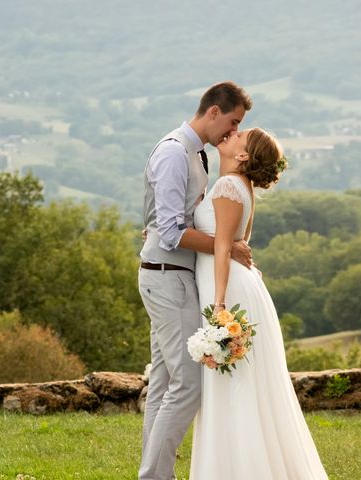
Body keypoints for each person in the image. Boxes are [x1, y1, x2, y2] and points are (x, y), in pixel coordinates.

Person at [189, 128, 329, 479]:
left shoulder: (227, 186)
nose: (232, 134)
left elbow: (223, 248)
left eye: (241, 136)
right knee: (242, 381)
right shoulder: (240, 186)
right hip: (240, 284)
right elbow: (237, 242)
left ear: (243, 156)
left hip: (228, 288)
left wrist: (219, 305)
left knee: (234, 382)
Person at [137, 81, 253, 480]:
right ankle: (154, 475)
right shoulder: (173, 152)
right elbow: (170, 232)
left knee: (165, 381)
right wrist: (226, 246)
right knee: (188, 384)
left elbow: (167, 220)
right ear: (214, 111)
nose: (233, 132)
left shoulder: (197, 155)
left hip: (172, 275)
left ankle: (154, 474)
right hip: (167, 278)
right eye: (233, 121)